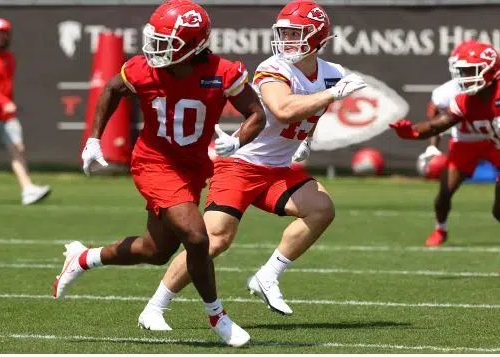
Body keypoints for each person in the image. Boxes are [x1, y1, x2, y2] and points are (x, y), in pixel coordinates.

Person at [136, 0, 367, 331]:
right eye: (283, 33)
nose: (287, 41)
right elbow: (284, 109)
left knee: (321, 208)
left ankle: (267, 276)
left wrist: (306, 140)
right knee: (214, 239)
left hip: (276, 170)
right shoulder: (275, 68)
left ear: (318, 39)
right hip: (241, 165)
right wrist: (332, 97)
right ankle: (155, 306)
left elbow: (309, 111)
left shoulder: (333, 75)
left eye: (295, 34)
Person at [52, 0, 266, 347]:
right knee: (197, 238)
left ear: (195, 45)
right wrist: (94, 138)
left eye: (168, 41)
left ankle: (83, 258)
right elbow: (111, 89)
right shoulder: (142, 69)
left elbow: (257, 113)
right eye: (156, 38)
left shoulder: (222, 72)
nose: (156, 48)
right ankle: (218, 317)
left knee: (155, 251)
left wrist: (238, 139)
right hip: (154, 162)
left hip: (193, 168)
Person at [390, 40, 500, 246]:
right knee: (453, 193)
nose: (465, 78)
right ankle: (440, 229)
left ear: (490, 70)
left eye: (470, 71)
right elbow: (438, 124)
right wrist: (413, 133)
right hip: (467, 141)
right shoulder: (462, 99)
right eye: (463, 72)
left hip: (494, 145)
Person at [0, 18, 51, 205]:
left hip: (6, 117)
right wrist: (3, 103)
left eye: (5, 32)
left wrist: (8, 107)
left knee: (17, 149)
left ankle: (28, 189)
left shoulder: (10, 58)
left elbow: (6, 86)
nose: (2, 36)